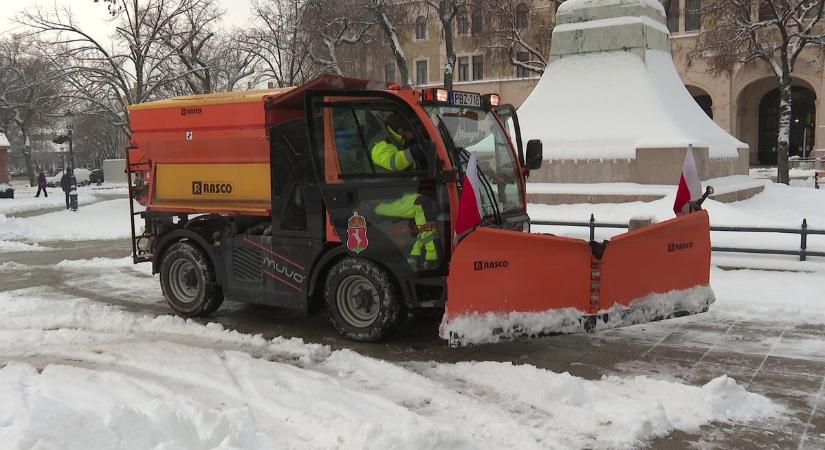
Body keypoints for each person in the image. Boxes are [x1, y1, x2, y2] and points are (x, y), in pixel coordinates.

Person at [370, 111, 438, 266]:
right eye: (410, 132)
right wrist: (417, 149)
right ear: (400, 131)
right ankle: (432, 256)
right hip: (380, 200)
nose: (412, 136)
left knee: (434, 200)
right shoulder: (380, 145)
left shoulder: (400, 143)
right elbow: (395, 163)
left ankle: (416, 254)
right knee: (423, 204)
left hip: (398, 194)